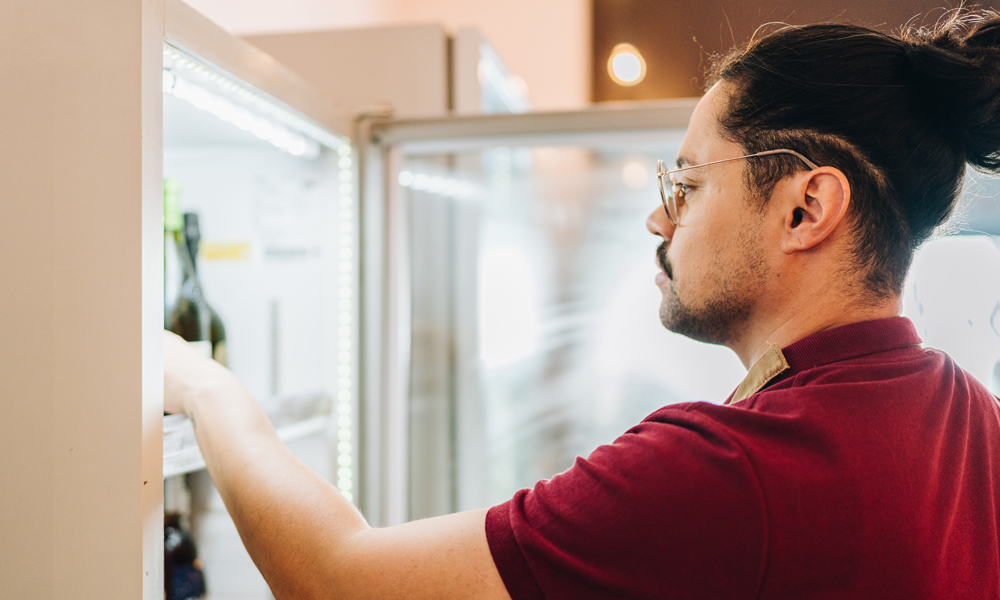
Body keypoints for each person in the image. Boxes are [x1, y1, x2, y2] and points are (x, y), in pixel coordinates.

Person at [164, 10, 1000, 599]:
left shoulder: (733, 469)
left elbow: (337, 581)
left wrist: (204, 388)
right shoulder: (976, 418)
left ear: (804, 208)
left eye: (685, 183)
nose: (656, 218)